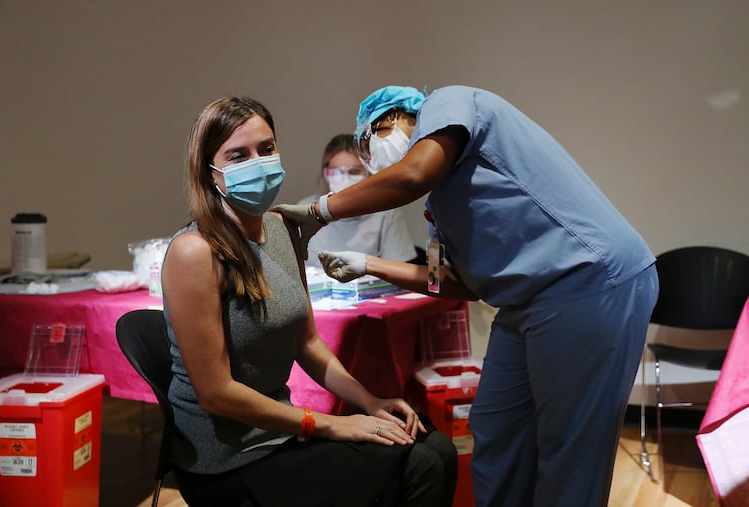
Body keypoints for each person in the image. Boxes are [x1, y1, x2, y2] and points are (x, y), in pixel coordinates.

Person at [275, 85, 660, 507]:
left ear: (396, 119)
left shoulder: (451, 102)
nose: (373, 164)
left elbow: (411, 174)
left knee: (569, 451)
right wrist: (369, 265)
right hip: (524, 302)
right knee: (496, 431)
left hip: (588, 281)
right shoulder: (441, 206)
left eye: (371, 146)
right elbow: (456, 284)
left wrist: (320, 210)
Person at [160, 96, 457, 507]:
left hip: (283, 433)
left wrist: (368, 401)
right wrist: (330, 425)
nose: (258, 162)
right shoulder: (195, 252)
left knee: (434, 446)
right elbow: (215, 393)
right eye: (237, 156)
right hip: (229, 460)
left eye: (266, 149)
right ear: (211, 173)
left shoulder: (282, 228)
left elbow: (308, 343)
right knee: (416, 466)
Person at [298, 133, 418, 269]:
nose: (344, 179)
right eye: (336, 172)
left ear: (369, 172)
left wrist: (368, 267)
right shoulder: (305, 210)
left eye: (354, 172)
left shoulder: (385, 211)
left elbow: (399, 268)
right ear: (325, 174)